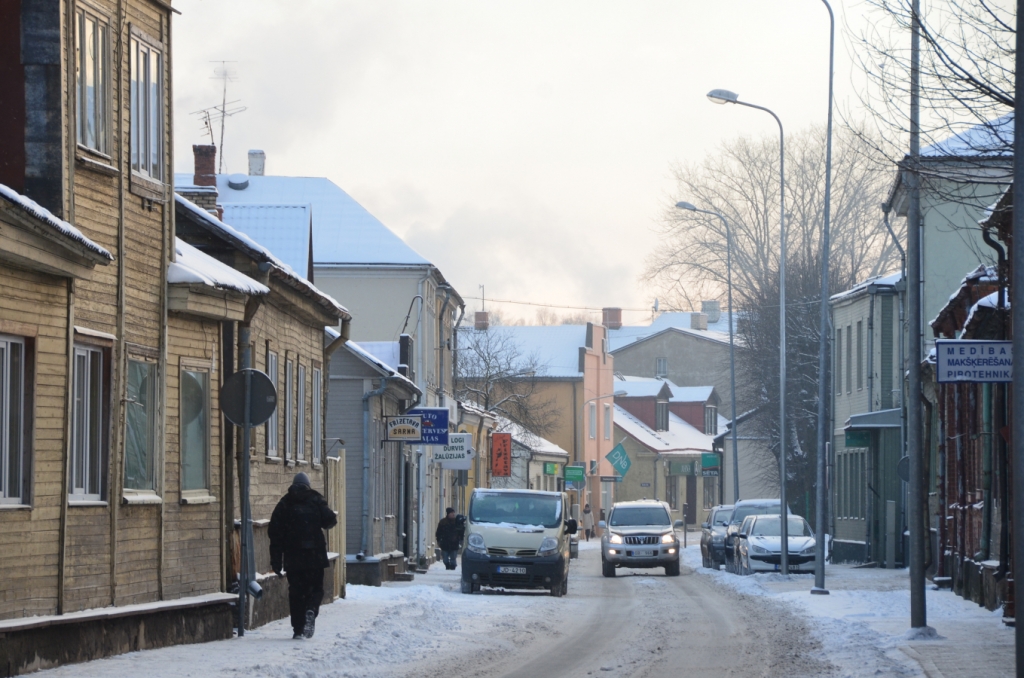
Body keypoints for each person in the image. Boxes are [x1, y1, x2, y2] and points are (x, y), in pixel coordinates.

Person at [269, 472, 337, 640]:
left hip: (293, 556)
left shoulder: (284, 503)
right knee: (316, 589)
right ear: (308, 485)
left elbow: (274, 533)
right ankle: (311, 610)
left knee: (296, 592)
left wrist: (276, 562)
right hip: (315, 555)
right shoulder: (315, 499)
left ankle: (298, 629)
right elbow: (330, 520)